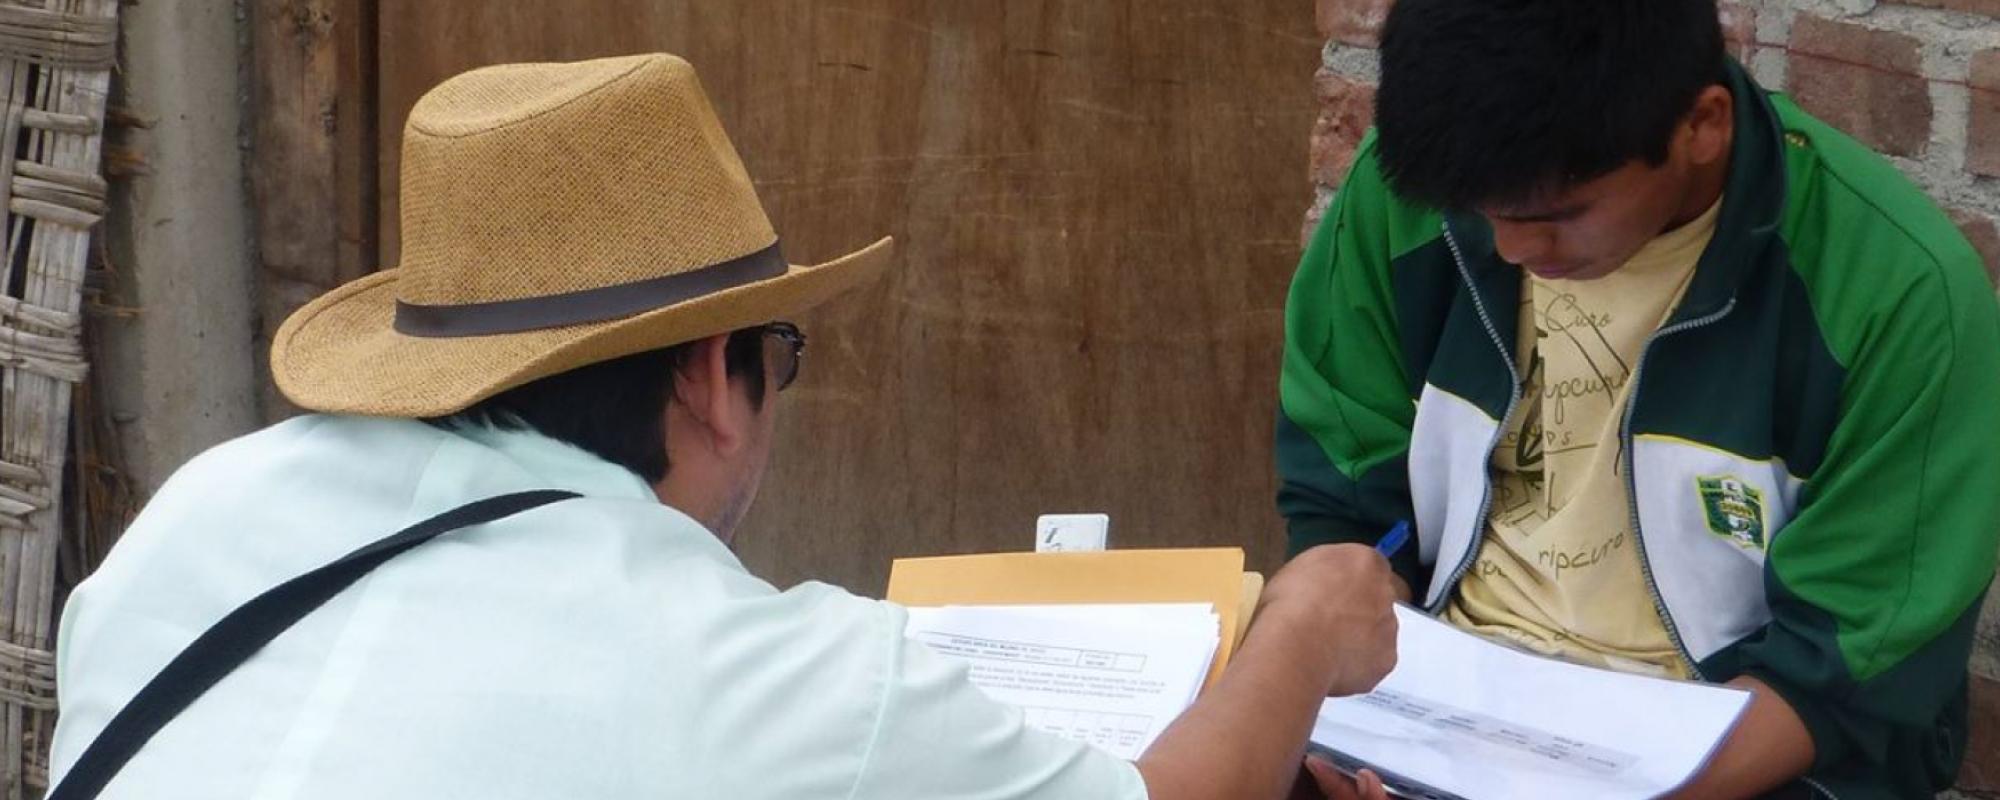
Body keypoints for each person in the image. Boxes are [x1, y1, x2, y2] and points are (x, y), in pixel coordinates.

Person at [49, 53, 1400, 800]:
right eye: (781, 360)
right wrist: (1295, 636)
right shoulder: (775, 675)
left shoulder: (201, 510)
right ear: (712, 374)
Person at [1276, 1, 2000, 798]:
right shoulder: (1432, 185)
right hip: (1432, 712)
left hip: (1733, 744)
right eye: (1487, 215)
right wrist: (1342, 730)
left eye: (1558, 215)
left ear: (1703, 126)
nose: (1514, 249)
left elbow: (1841, 681)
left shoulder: (1901, 294)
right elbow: (1341, 496)